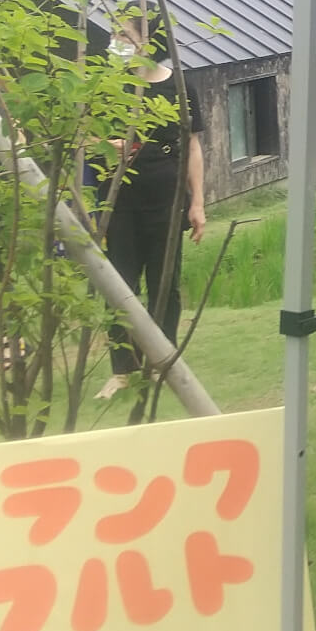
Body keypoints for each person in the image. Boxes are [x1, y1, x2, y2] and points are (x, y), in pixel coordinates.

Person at [94, 21, 207, 402]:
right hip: (118, 201)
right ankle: (122, 370)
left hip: (166, 198)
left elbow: (192, 147)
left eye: (124, 36)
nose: (116, 43)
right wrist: (106, 145)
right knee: (120, 284)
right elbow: (81, 138)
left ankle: (163, 360)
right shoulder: (108, 88)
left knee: (165, 282)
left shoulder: (178, 87)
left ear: (148, 42)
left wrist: (197, 203)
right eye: (114, 35)